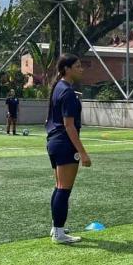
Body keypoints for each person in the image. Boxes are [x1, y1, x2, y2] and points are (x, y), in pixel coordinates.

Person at [46, 55, 91, 244]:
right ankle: (59, 233)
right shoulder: (68, 92)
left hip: (54, 142)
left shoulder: (58, 87)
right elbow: (69, 125)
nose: (81, 69)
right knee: (64, 189)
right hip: (64, 144)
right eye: (78, 66)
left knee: (59, 187)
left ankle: (57, 227)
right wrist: (83, 152)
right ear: (66, 69)